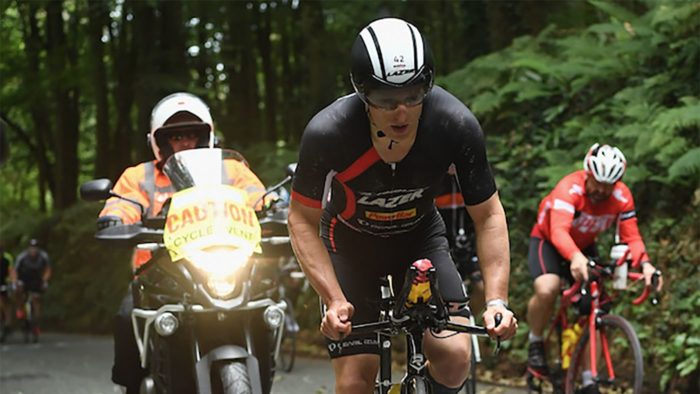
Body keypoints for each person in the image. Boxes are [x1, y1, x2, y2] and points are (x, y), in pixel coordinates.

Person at [287, 17, 517, 394]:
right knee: (353, 383)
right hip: (350, 245)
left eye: (414, 95)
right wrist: (333, 299)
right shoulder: (329, 133)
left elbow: (489, 215)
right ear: (362, 94)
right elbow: (300, 220)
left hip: (419, 239)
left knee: (456, 357)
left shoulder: (454, 124)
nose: (402, 112)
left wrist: (496, 300)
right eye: (385, 99)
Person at [99, 92, 268, 394]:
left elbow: (257, 194)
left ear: (207, 136)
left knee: (267, 304)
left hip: (224, 263)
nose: (186, 142)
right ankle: (130, 387)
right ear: (159, 141)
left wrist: (275, 205)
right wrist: (114, 218)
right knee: (126, 316)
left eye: (192, 134)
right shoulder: (141, 176)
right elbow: (122, 204)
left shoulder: (230, 170)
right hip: (158, 275)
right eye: (176, 136)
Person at [525, 143, 664, 393]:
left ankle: (589, 377)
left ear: (617, 183)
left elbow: (631, 237)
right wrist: (575, 258)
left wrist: (645, 264)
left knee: (600, 306)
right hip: (549, 241)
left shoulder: (622, 197)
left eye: (608, 185)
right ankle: (535, 342)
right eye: (597, 182)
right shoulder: (569, 189)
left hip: (585, 246)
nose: (601, 190)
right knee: (548, 288)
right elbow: (558, 230)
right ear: (588, 173)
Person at [435, 166, 485, 315]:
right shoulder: (433, 179)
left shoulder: (471, 178)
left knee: (481, 287)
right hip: (441, 244)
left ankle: (470, 320)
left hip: (468, 245)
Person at [12, 238, 52, 342]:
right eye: (31, 248)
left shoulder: (43, 256)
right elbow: (14, 271)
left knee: (36, 299)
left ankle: (36, 324)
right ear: (28, 249)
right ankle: (20, 309)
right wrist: (15, 281)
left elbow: (48, 269)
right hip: (24, 278)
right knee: (19, 292)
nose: (33, 250)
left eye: (35, 248)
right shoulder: (22, 257)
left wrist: (44, 280)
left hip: (36, 280)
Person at [0, 242, 14, 342]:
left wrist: (11, 283)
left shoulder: (6, 260)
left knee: (7, 302)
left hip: (4, 283)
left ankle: (8, 324)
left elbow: (11, 273)